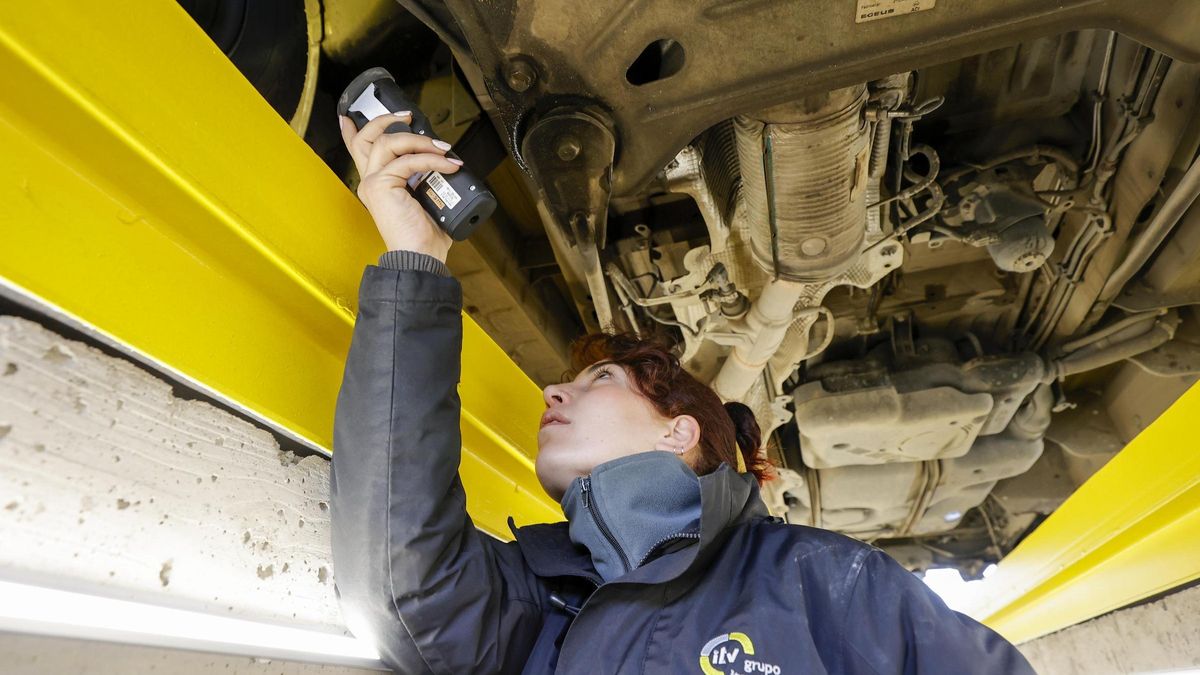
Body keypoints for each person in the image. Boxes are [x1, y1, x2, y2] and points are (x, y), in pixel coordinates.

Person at [329, 112, 1035, 674]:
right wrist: (416, 257)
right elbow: (403, 585)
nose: (552, 391)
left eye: (598, 378)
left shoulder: (818, 579)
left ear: (679, 432)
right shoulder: (537, 597)